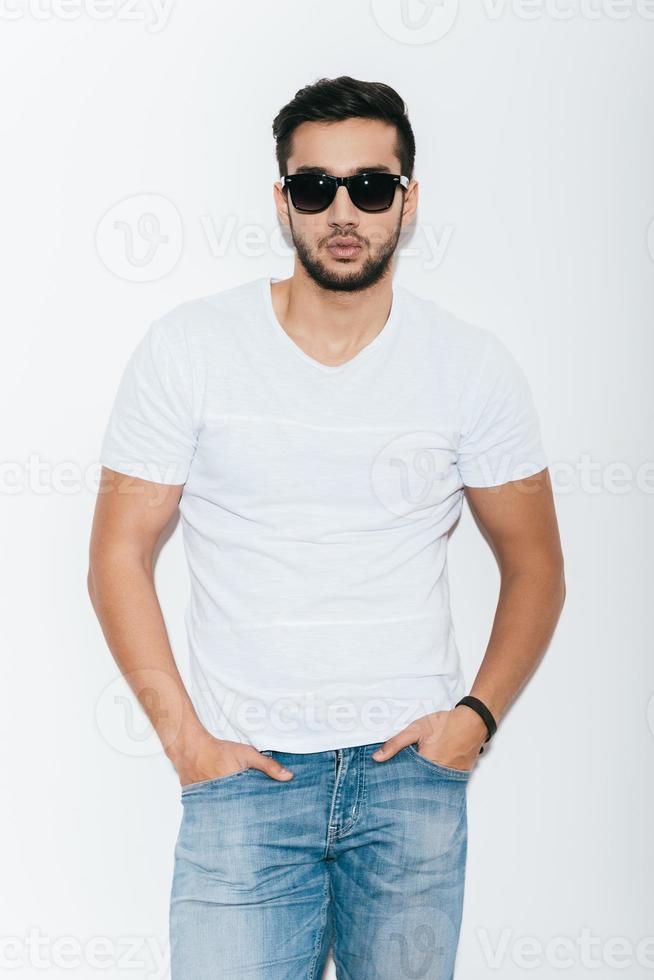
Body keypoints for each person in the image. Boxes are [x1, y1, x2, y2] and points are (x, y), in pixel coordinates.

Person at [88, 75, 565, 980]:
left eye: (370, 186)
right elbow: (117, 553)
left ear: (407, 200)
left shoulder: (470, 366)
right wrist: (185, 742)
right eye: (315, 188)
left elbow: (536, 564)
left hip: (412, 784)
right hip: (243, 786)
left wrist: (474, 722)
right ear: (283, 201)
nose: (343, 211)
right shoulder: (190, 348)